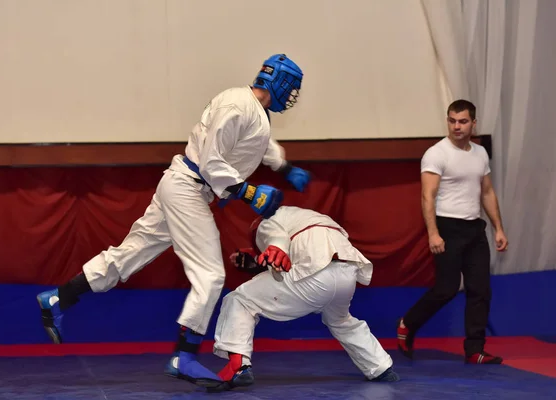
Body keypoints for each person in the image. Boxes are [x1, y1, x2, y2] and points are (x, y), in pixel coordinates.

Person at [36, 54, 311, 389]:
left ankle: (59, 298)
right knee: (210, 275)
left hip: (184, 186)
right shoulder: (237, 106)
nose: (293, 95)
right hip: (189, 187)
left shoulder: (254, 112)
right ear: (280, 82)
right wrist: (250, 192)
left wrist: (284, 168)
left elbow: (261, 144)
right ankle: (185, 356)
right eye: (292, 87)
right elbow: (211, 161)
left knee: (130, 254)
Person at [210, 205, 399, 392]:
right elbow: (302, 246)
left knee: (239, 299)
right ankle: (380, 367)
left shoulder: (265, 221)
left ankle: (238, 366)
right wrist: (260, 262)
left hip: (315, 274)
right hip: (347, 272)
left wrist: (270, 250)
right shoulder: (310, 217)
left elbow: (277, 239)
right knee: (340, 320)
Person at [397, 99, 508, 364]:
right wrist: (433, 233)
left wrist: (499, 228)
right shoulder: (436, 153)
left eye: (462, 121)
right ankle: (407, 324)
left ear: (473, 123)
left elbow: (488, 191)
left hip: (474, 228)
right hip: (447, 227)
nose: (456, 126)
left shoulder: (480, 154)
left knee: (480, 289)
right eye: (452, 121)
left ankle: (474, 350)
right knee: (446, 289)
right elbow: (428, 195)